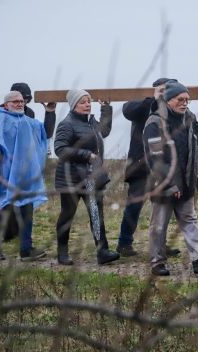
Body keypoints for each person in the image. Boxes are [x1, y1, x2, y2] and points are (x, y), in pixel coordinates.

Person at [143, 79, 198, 276]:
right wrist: (170, 185)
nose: (185, 103)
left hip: (186, 180)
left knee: (189, 219)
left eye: (187, 99)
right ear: (168, 100)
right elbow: (156, 159)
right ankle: (157, 263)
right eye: (180, 99)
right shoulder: (154, 122)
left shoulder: (188, 117)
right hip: (163, 183)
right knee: (159, 226)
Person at [0, 91, 48, 261]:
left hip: (24, 178)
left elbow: (45, 132)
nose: (19, 104)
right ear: (6, 104)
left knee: (27, 212)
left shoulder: (27, 122)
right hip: (4, 178)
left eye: (21, 101)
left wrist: (50, 112)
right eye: (15, 101)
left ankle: (26, 249)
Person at [54, 89, 119, 266]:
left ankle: (102, 252)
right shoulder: (67, 124)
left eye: (89, 101)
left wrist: (106, 109)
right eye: (83, 102)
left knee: (96, 214)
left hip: (91, 178)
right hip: (71, 179)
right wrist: (86, 155)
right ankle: (62, 253)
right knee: (67, 215)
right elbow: (60, 149)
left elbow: (104, 131)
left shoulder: (91, 122)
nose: (87, 104)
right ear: (74, 104)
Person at [115, 78, 180, 257]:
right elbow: (127, 110)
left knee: (162, 207)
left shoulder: (171, 109)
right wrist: (153, 98)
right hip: (141, 166)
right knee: (134, 206)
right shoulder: (143, 104)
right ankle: (124, 243)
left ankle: (160, 245)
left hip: (160, 166)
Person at [0, 82, 56, 241]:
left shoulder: (29, 113)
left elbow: (43, 133)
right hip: (6, 168)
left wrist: (49, 113)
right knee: (4, 206)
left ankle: (25, 245)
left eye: (26, 100)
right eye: (20, 99)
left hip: (24, 168)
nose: (23, 103)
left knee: (26, 205)